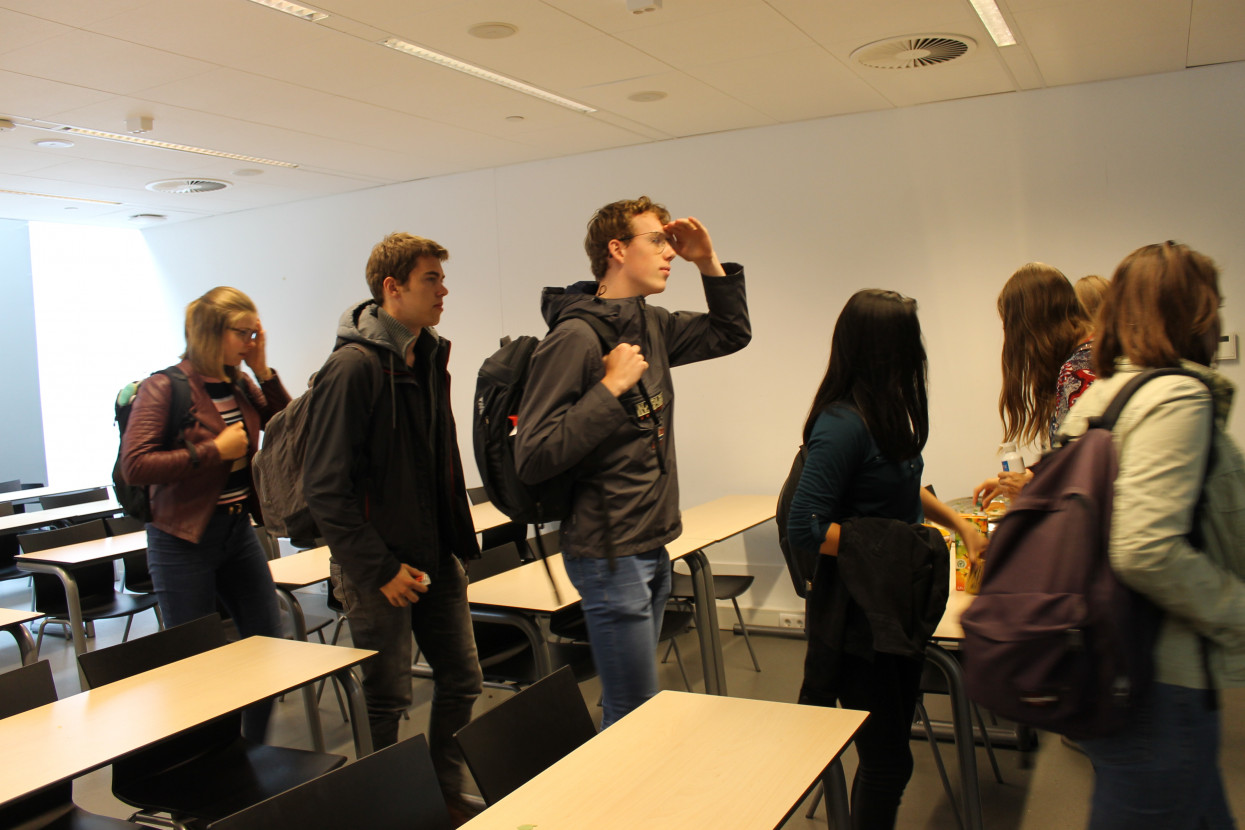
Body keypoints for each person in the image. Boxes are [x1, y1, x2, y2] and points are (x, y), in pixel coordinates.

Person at [514, 197, 751, 727]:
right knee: (633, 709)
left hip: (651, 542)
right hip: (608, 551)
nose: (669, 253)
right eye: (657, 241)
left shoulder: (651, 323)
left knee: (630, 700)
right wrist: (609, 388)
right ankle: (617, 805)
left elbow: (730, 332)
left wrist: (708, 262)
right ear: (616, 250)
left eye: (671, 244)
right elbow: (532, 455)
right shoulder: (573, 338)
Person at [1058, 241, 1245, 829]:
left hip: (1102, 660)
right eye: (1212, 304)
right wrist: (1236, 609)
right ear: (1193, 312)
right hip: (1157, 677)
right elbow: (1144, 547)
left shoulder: (1103, 397)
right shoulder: (1177, 397)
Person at [787, 289, 986, 830]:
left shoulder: (884, 409)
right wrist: (886, 549)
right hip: (861, 617)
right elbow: (803, 526)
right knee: (888, 762)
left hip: (891, 601)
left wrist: (960, 524)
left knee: (889, 755)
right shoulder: (842, 423)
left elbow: (901, 483)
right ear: (885, 348)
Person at [302, 233, 482, 824]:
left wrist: (454, 544)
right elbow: (326, 487)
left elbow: (436, 460)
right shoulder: (351, 369)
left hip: (434, 557)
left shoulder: (428, 356)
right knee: (387, 698)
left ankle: (439, 793)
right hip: (378, 568)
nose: (443, 290)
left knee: (461, 680)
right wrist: (379, 571)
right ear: (392, 288)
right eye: (432, 279)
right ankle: (387, 811)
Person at [121, 286, 290, 741]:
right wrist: (211, 451)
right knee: (196, 662)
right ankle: (208, 758)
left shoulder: (240, 383)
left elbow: (289, 427)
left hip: (237, 530)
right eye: (244, 333)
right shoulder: (164, 387)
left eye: (257, 332)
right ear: (211, 332)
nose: (252, 340)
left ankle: (250, 747)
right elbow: (134, 465)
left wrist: (263, 369)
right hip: (181, 539)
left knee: (267, 641)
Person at [973, 263, 1094, 507]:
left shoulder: (1078, 371)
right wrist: (1032, 475)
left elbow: (1086, 476)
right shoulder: (1092, 354)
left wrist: (1031, 488)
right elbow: (1071, 455)